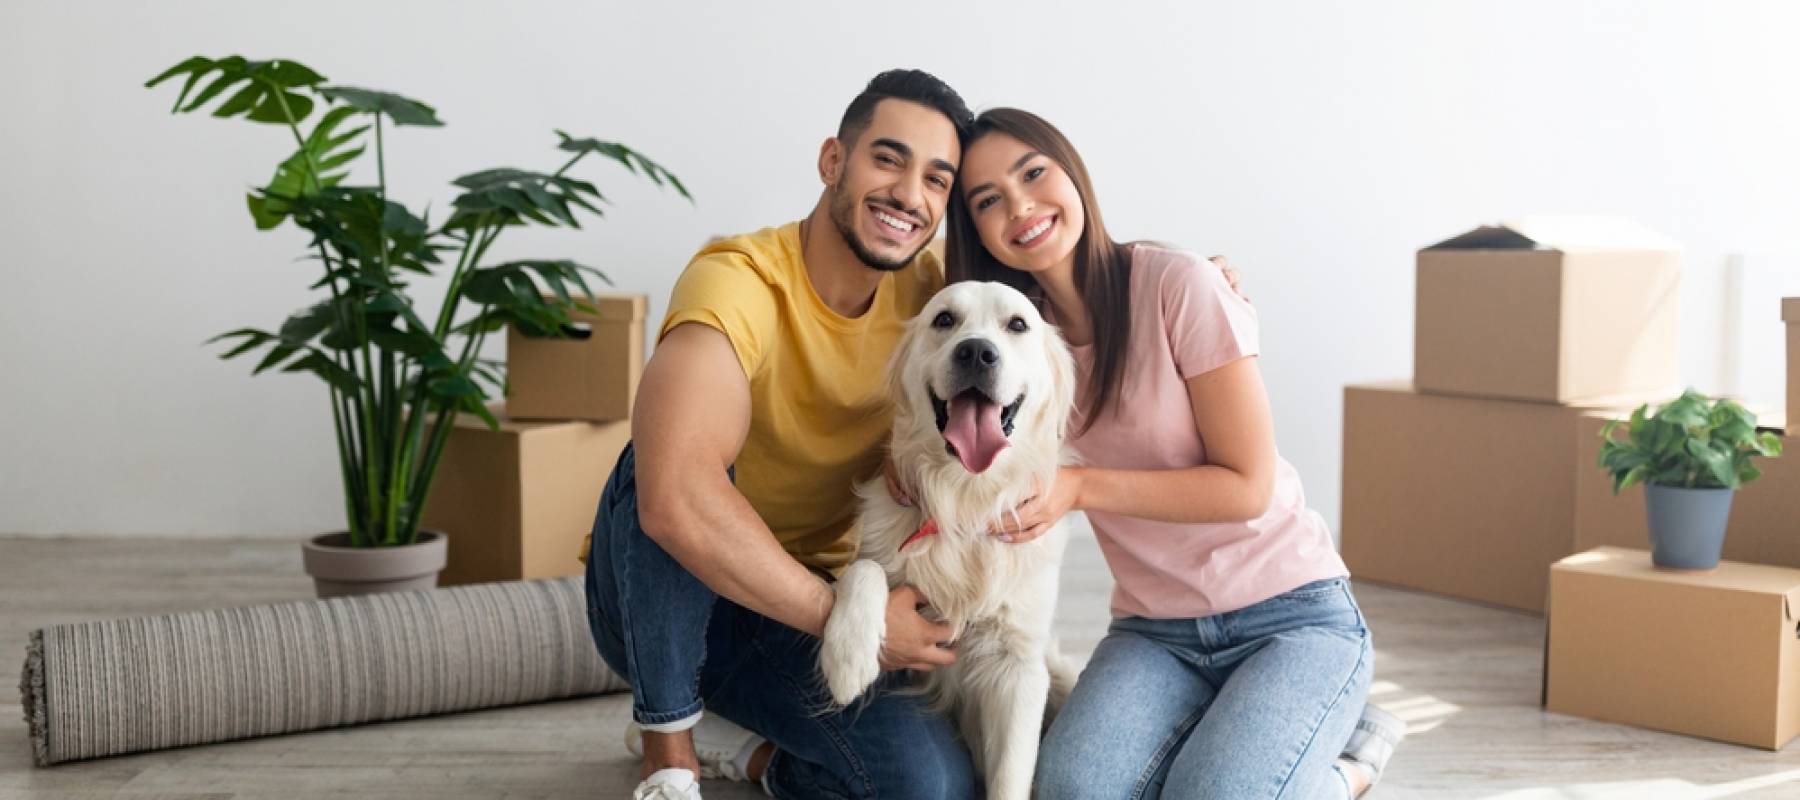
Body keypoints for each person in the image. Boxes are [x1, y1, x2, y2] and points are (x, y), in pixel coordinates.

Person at [941, 107, 1405, 799]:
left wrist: (1080, 486)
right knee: (1069, 790)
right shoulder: (1013, 340)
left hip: (1292, 614)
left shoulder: (1179, 286)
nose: (1021, 206)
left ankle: (1348, 766)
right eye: (988, 201)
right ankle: (1243, 742)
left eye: (1034, 173)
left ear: (1072, 172)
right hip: (1156, 633)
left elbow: (1247, 487)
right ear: (975, 229)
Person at [581, 70, 978, 800]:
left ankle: (752, 752)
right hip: (663, 597)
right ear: (834, 161)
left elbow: (1054, 299)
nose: (909, 194)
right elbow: (672, 500)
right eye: (887, 159)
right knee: (678, 455)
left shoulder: (934, 299)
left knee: (932, 786)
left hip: (794, 603)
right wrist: (852, 623)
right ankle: (668, 754)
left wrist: (1174, 278)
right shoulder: (739, 280)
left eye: (936, 179)